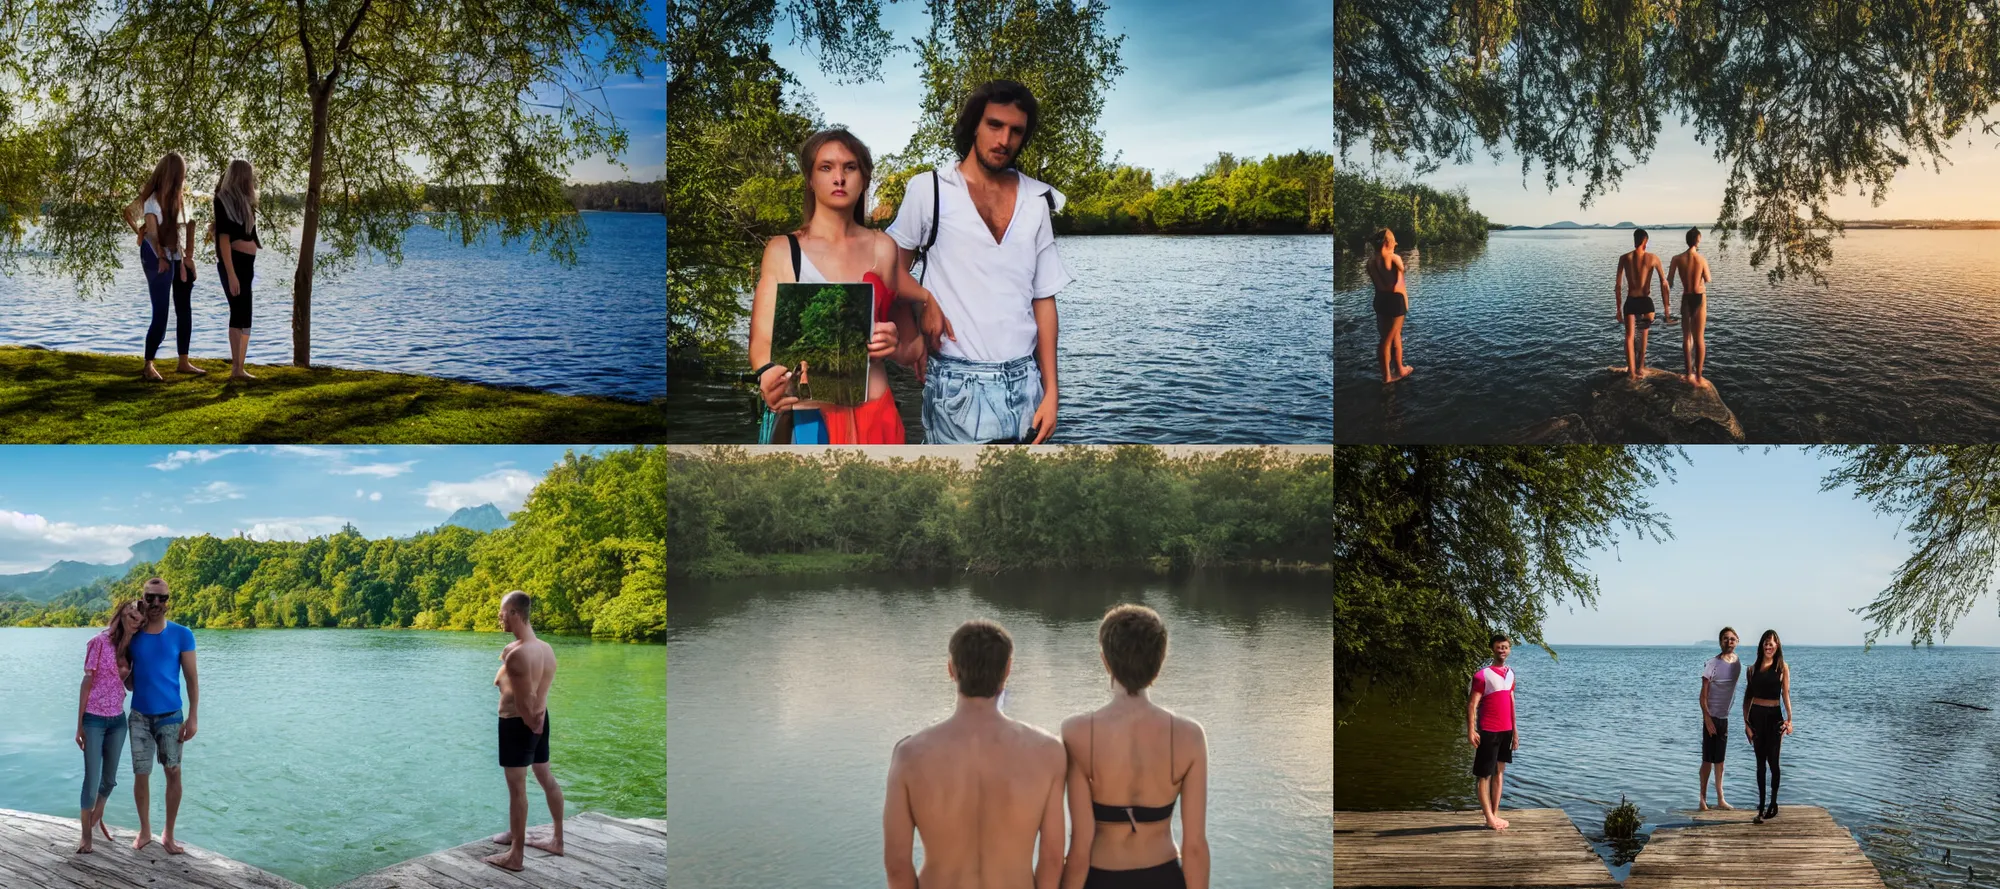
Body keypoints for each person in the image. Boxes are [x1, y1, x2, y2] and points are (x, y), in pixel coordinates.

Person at [888, 80, 1072, 444]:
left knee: (1025, 499)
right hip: (957, 385)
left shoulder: (1037, 199)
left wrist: (1052, 391)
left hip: (1026, 384)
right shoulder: (931, 190)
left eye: (1016, 130)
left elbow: (1044, 300)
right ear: (974, 124)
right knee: (962, 499)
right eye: (994, 125)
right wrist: (920, 314)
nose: (1004, 139)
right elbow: (886, 272)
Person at [750, 128, 939, 443]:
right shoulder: (783, 250)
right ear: (810, 179)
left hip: (876, 412)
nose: (839, 178)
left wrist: (896, 338)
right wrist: (766, 372)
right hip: (809, 417)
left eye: (849, 168)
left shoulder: (884, 248)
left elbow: (903, 342)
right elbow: (761, 340)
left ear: (863, 178)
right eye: (826, 167)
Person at [883, 619, 1066, 889]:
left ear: (951, 670)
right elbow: (1051, 860)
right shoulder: (1048, 752)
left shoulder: (910, 755)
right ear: (1008, 670)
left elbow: (897, 865)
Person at [1059, 605, 1209, 889]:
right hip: (1163, 875)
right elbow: (1195, 847)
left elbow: (1080, 847)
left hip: (1100, 875)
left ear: (1106, 662)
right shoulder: (1190, 736)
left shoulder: (1076, 733)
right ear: (1160, 662)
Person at [485, 590, 566, 872]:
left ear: (515, 614)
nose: (499, 617)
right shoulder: (545, 648)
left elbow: (521, 698)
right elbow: (535, 693)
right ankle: (557, 839)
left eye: (502, 613)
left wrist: (531, 723)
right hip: (539, 720)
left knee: (517, 789)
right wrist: (538, 723)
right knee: (545, 776)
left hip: (518, 723)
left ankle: (515, 855)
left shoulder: (518, 655)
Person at [127, 577, 198, 853]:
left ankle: (168, 834)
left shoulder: (182, 634)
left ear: (168, 601)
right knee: (141, 774)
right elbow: (129, 680)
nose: (156, 603)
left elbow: (191, 679)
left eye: (162, 598)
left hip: (171, 716)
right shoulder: (132, 634)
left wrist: (193, 717)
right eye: (151, 597)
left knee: (173, 773)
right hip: (139, 716)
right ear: (142, 598)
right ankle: (145, 831)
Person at [122, 153, 203, 381]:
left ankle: (184, 361)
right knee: (161, 313)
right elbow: (154, 236)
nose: (183, 179)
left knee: (184, 305)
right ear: (174, 175)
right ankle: (148, 364)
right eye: (181, 175)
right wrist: (159, 255)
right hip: (155, 255)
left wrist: (187, 259)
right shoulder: (152, 201)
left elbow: (187, 226)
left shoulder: (178, 198)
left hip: (174, 253)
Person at [74, 601, 142, 854]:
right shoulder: (99, 642)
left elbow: (130, 687)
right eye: (132, 615)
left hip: (117, 721)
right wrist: (79, 724)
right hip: (93, 719)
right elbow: (87, 682)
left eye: (140, 619)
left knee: (110, 780)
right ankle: (85, 836)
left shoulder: (132, 648)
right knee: (91, 780)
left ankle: (97, 814)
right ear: (121, 614)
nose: (136, 621)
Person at [213, 159, 261, 381]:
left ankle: (241, 367)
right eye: (248, 176)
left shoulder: (248, 202)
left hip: (247, 265)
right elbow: (223, 239)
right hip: (233, 264)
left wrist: (254, 246)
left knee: (246, 315)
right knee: (237, 311)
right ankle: (236, 368)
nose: (251, 180)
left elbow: (249, 234)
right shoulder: (222, 200)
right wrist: (231, 274)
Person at [1466, 633, 1517, 830]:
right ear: (1492, 649)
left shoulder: (1510, 673)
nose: (1502, 650)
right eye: (1498, 647)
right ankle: (1489, 818)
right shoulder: (1482, 675)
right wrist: (1471, 730)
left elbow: (1511, 703)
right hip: (1488, 730)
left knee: (1500, 773)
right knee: (1484, 775)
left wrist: (1515, 732)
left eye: (1505, 647)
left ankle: (1494, 815)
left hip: (1506, 731)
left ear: (1509, 649)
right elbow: (1472, 704)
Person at [1743, 629, 1793, 824]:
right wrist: (1746, 724)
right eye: (1765, 643)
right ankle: (1761, 807)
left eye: (1771, 643)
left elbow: (1785, 695)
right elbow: (1747, 698)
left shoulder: (1782, 667)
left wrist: (1790, 719)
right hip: (1756, 717)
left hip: (1774, 718)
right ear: (1761, 645)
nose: (1768, 646)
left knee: (1773, 762)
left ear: (1777, 646)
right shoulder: (1752, 669)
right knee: (1759, 765)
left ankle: (1774, 803)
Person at [1614, 229, 1670, 381]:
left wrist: (1618, 309)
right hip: (1646, 303)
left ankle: (1631, 373)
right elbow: (1664, 284)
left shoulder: (1624, 258)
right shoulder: (1653, 258)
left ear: (1635, 240)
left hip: (1631, 302)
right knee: (1643, 338)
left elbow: (1618, 286)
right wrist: (1667, 309)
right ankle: (1641, 367)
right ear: (1645, 241)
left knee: (1630, 337)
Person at [1698, 626, 1741, 810]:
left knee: (1721, 761)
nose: (1728, 641)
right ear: (1720, 641)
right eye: (1725, 638)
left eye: (1732, 638)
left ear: (1737, 641)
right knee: (1707, 760)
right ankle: (1702, 799)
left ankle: (1721, 799)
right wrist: (1707, 719)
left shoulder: (1737, 662)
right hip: (1711, 717)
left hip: (1724, 718)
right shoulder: (1712, 664)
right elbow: (1702, 696)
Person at [1365, 228, 1413, 384]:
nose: (1396, 244)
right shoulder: (1394, 258)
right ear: (1387, 243)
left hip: (1380, 299)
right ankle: (1387, 376)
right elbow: (1400, 281)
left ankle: (1399, 368)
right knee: (1387, 339)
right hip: (1395, 301)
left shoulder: (1370, 262)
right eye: (1394, 241)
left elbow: (1379, 283)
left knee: (1394, 335)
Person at [1668, 226, 1713, 387]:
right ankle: (1699, 377)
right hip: (1700, 296)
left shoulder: (1676, 258)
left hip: (1686, 297)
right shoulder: (1701, 259)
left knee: (1687, 337)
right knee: (1699, 337)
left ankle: (1689, 374)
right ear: (1698, 240)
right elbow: (1708, 278)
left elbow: (1670, 280)